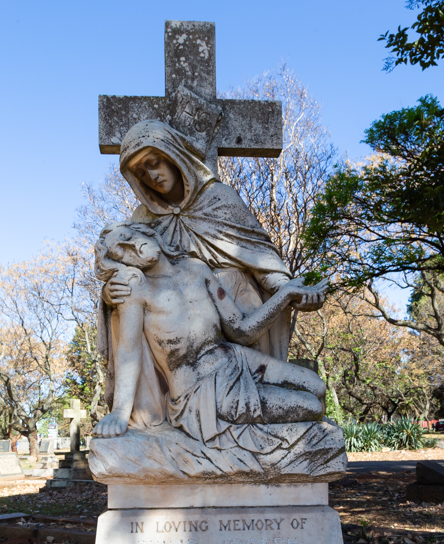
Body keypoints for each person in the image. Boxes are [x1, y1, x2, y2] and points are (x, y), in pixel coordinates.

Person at [95, 120, 325, 422]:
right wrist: (108, 294)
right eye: (141, 173)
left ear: (173, 155)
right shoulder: (142, 222)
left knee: (317, 389)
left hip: (235, 315)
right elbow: (124, 274)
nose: (151, 176)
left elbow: (259, 256)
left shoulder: (220, 201)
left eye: (154, 163)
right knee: (310, 406)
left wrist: (290, 291)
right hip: (190, 363)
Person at [93, 222, 327, 452]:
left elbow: (242, 331)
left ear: (146, 232)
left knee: (317, 386)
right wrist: (120, 412)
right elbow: (128, 350)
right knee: (312, 405)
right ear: (120, 264)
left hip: (237, 358)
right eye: (121, 251)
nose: (134, 246)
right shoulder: (135, 289)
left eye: (128, 235)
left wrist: (285, 294)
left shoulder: (196, 269)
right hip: (202, 389)